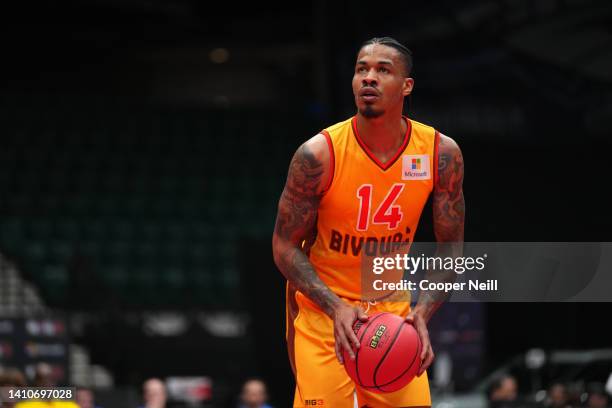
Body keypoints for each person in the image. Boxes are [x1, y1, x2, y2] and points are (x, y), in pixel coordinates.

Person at [272, 36, 465, 407]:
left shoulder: (440, 154)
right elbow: (283, 246)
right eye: (362, 69)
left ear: (406, 86)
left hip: (392, 315)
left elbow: (451, 247)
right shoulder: (318, 155)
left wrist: (422, 312)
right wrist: (335, 307)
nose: (369, 78)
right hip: (325, 314)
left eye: (382, 70)